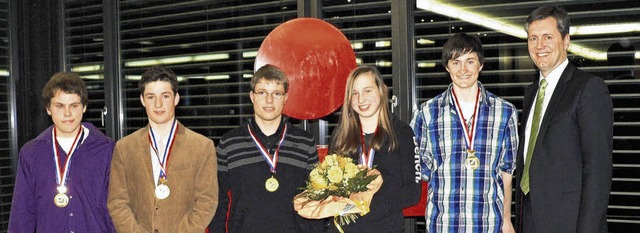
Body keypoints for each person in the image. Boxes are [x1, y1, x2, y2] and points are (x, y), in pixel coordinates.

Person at [515, 5, 613, 233]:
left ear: (566, 40)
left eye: (548, 37)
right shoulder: (531, 93)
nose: (539, 46)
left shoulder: (588, 88)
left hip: (569, 223)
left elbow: (598, 171)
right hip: (529, 220)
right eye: (533, 38)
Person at [410, 33, 518, 232]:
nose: (463, 70)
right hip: (442, 224)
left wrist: (506, 220)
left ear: (481, 64)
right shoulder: (427, 114)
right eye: (456, 62)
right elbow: (418, 171)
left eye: (470, 61)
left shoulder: (505, 112)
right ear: (447, 66)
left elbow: (506, 174)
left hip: (488, 224)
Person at [210, 64, 323, 232]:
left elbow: (316, 200)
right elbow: (219, 203)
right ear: (252, 96)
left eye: (276, 94)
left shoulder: (305, 143)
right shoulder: (229, 143)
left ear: (285, 98)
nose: (269, 100)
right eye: (262, 93)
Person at [108, 66, 218, 232]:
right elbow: (117, 203)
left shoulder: (202, 146)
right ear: (142, 100)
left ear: (176, 99)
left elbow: (207, 201)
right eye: (151, 97)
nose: (158, 104)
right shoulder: (124, 148)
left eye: (165, 96)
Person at [9, 72, 115, 232]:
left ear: (84, 107)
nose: (67, 113)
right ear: (48, 108)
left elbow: (118, 208)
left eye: (74, 105)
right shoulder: (31, 153)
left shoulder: (107, 150)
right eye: (59, 106)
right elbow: (22, 214)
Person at [328, 65, 421, 232]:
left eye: (367, 91)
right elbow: (331, 189)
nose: (361, 99)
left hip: (385, 227)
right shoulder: (340, 135)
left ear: (381, 90)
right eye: (354, 93)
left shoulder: (402, 133)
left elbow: (412, 192)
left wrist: (369, 207)